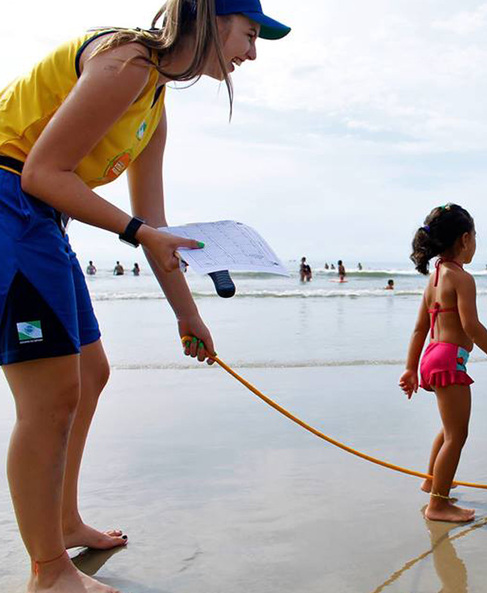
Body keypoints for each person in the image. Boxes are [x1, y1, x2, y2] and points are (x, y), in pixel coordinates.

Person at [0, 1, 290, 591]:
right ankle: (48, 572)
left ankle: (63, 520)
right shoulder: (127, 61)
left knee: (91, 372)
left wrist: (190, 317)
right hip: (11, 203)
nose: (252, 52)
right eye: (250, 33)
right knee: (52, 396)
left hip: (43, 220)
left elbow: (152, 225)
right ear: (211, 16)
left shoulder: (153, 107)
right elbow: (42, 173)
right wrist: (138, 233)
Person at [399, 204, 487, 522]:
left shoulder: (435, 277)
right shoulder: (461, 278)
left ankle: (432, 480)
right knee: (458, 435)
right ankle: (438, 505)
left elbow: (419, 328)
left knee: (448, 428)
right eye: (475, 236)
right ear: (465, 239)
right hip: (450, 360)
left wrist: (411, 368)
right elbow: (472, 326)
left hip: (432, 356)